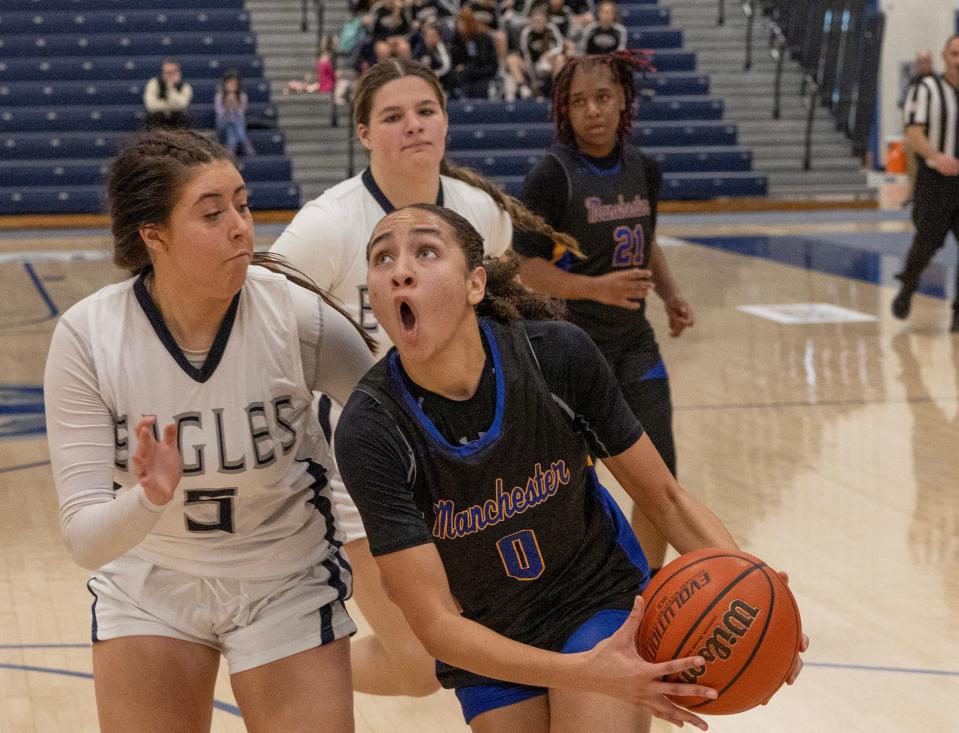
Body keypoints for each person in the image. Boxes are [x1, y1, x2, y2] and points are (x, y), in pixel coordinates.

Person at [334, 203, 808, 732]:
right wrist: (581, 673)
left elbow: (665, 499)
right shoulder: (370, 429)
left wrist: (755, 593)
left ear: (475, 284)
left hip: (595, 600)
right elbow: (437, 624)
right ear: (374, 295)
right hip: (489, 635)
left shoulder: (555, 357)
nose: (400, 268)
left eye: (425, 251)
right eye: (382, 258)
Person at [43, 128, 376, 732]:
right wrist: (148, 499)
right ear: (155, 236)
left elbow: (398, 424)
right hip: (152, 582)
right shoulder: (88, 338)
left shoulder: (298, 318)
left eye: (243, 205)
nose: (241, 226)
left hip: (285, 578)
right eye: (212, 213)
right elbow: (84, 540)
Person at [270, 58, 578, 699]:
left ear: (446, 119)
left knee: (500, 633)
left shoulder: (481, 213)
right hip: (362, 468)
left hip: (467, 463)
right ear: (363, 133)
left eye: (426, 111)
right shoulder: (327, 226)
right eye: (392, 116)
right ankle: (271, 670)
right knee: (419, 668)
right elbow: (266, 332)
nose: (413, 126)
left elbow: (501, 325)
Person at [512, 51, 692, 577]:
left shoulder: (644, 169)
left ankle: (648, 588)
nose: (592, 110)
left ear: (624, 101)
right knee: (568, 482)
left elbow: (646, 241)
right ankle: (575, 587)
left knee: (661, 477)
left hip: (634, 343)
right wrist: (596, 287)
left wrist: (670, 293)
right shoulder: (552, 176)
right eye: (578, 102)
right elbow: (526, 268)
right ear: (563, 112)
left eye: (603, 97)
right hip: (567, 348)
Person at [895, 34, 959, 332]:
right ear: (944, 57)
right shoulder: (926, 89)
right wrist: (936, 156)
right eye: (955, 54)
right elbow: (913, 132)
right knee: (926, 244)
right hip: (936, 181)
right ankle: (908, 285)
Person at [449, 6, 500, 98]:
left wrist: (466, 68)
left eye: (462, 23)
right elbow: (456, 64)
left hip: (484, 74)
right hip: (466, 78)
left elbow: (486, 62)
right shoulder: (457, 41)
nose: (459, 26)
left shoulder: (484, 39)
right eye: (458, 23)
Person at [143, 58, 193, 130]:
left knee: (183, 117)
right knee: (154, 117)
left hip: (176, 120)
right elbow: (151, 105)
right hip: (158, 120)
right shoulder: (154, 83)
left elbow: (181, 105)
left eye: (172, 72)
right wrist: (168, 106)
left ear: (178, 73)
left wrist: (171, 87)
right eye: (166, 72)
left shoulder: (186, 87)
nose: (169, 75)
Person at [215, 69, 255, 157]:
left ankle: (230, 151)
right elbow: (219, 113)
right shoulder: (219, 95)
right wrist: (227, 105)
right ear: (225, 84)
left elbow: (241, 113)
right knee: (232, 122)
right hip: (222, 122)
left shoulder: (242, 96)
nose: (231, 86)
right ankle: (244, 141)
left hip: (236, 121)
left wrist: (235, 105)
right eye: (229, 83)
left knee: (232, 128)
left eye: (234, 84)